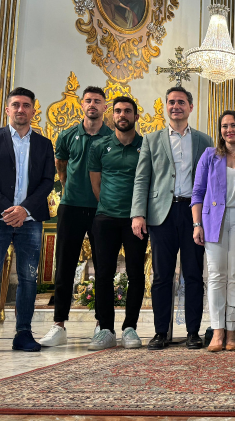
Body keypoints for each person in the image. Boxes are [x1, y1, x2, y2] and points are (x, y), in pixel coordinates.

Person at [0, 88, 56, 356]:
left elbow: (47, 181)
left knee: (28, 278)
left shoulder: (43, 144)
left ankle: (24, 333)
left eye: (26, 105)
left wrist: (24, 209)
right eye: (15, 105)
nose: (20, 109)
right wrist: (8, 209)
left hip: (30, 220)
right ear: (7, 109)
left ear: (33, 111)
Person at [131, 86, 213, 351]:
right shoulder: (151, 139)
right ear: (166, 107)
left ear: (190, 107)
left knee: (193, 275)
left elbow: (211, 180)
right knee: (162, 276)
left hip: (193, 213)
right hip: (161, 214)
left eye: (181, 102)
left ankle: (193, 332)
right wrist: (138, 213)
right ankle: (160, 332)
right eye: (171, 102)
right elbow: (142, 178)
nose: (175, 106)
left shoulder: (204, 140)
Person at [39, 86, 111, 347]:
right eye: (88, 100)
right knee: (64, 265)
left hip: (102, 209)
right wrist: (69, 187)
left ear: (105, 107)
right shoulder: (67, 135)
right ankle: (59, 324)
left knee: (104, 267)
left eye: (97, 101)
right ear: (82, 104)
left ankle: (102, 324)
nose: (92, 104)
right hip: (70, 206)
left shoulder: (112, 137)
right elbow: (61, 166)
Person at [191, 111, 235, 352]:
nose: (229, 130)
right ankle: (217, 331)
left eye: (234, 125)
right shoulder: (210, 155)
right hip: (213, 220)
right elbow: (197, 192)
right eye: (224, 126)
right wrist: (197, 224)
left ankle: (232, 331)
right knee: (216, 275)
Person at [86, 97, 147, 351]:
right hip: (105, 219)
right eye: (118, 111)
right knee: (103, 274)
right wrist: (109, 207)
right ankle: (106, 330)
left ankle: (130, 328)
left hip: (136, 220)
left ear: (135, 116)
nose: (123, 115)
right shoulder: (99, 146)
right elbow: (96, 184)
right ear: (112, 115)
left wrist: (135, 212)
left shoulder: (145, 146)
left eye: (128, 111)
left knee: (136, 273)